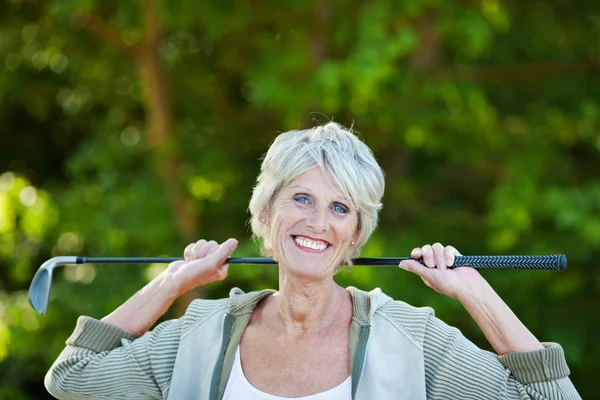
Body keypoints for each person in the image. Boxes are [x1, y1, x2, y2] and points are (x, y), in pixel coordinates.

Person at [45, 122, 580, 400]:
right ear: (267, 212)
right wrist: (169, 285)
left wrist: (474, 290)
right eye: (301, 199)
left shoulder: (413, 338)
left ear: (354, 236)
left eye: (340, 207)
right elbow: (71, 379)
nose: (318, 222)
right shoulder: (202, 333)